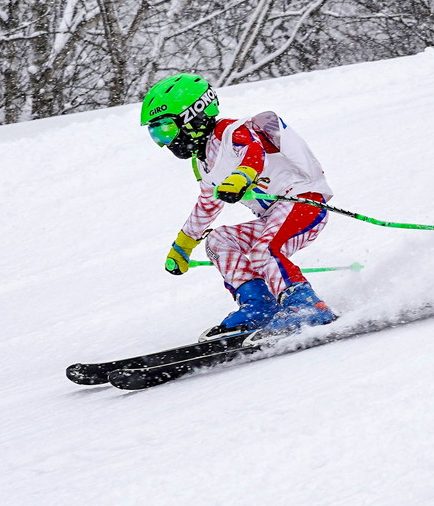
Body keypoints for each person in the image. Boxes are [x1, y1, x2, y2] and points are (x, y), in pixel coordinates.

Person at [140, 73, 336, 339]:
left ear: (193, 115)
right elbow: (207, 204)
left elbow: (253, 153)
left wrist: (240, 177)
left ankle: (307, 305)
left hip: (303, 203)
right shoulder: (202, 161)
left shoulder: (232, 131)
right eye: (156, 135)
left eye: (166, 130)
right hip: (272, 216)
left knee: (264, 250)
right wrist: (183, 245)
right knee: (219, 241)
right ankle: (258, 307)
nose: (165, 142)